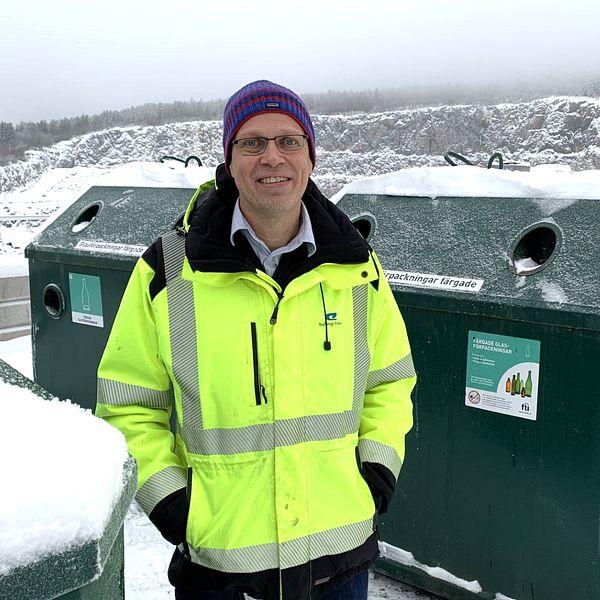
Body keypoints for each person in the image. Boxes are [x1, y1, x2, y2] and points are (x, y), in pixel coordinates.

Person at [96, 80, 415, 600]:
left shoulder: (359, 270)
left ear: (310, 157)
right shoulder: (170, 270)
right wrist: (177, 505)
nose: (273, 157)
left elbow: (391, 381)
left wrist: (375, 469)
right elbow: (128, 404)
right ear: (229, 158)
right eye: (253, 142)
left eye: (289, 141)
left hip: (340, 563)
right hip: (221, 568)